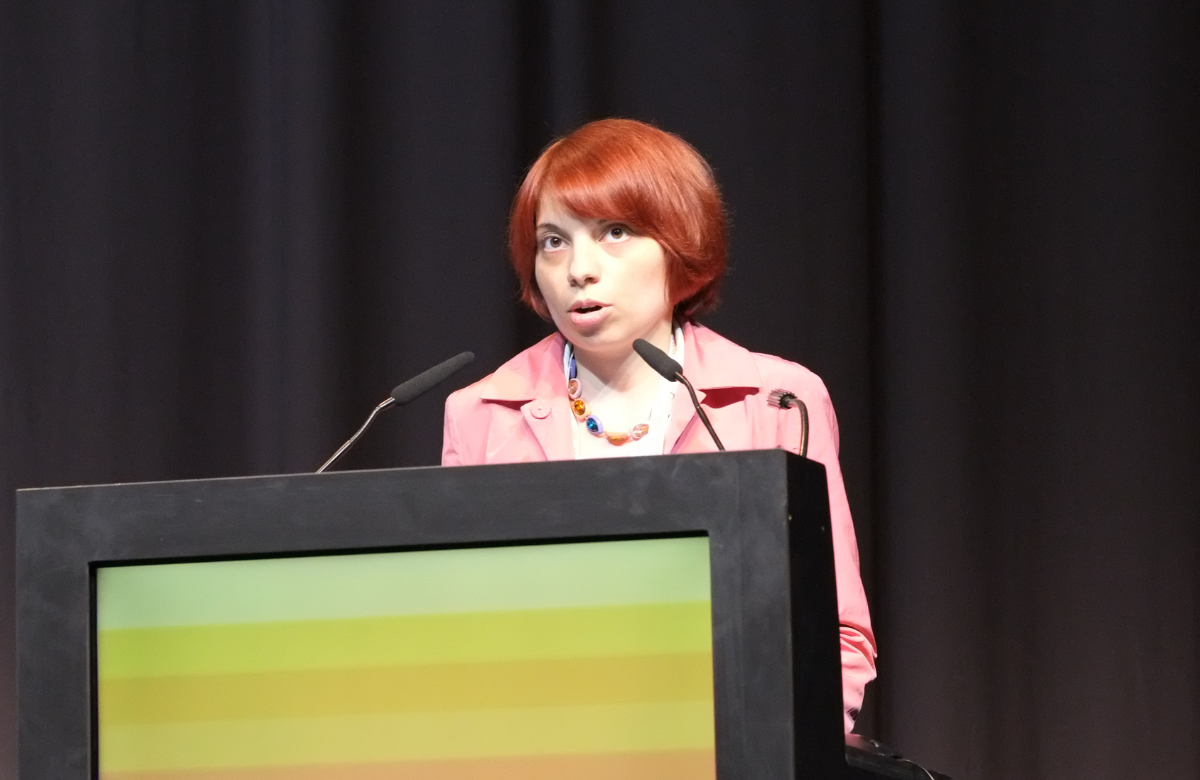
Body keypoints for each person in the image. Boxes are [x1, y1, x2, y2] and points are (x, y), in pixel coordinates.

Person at [442, 118, 876, 733]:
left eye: (614, 233)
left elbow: (836, 633)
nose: (579, 269)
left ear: (679, 242)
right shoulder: (483, 412)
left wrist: (773, 741)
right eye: (553, 241)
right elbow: (460, 632)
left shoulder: (776, 400)